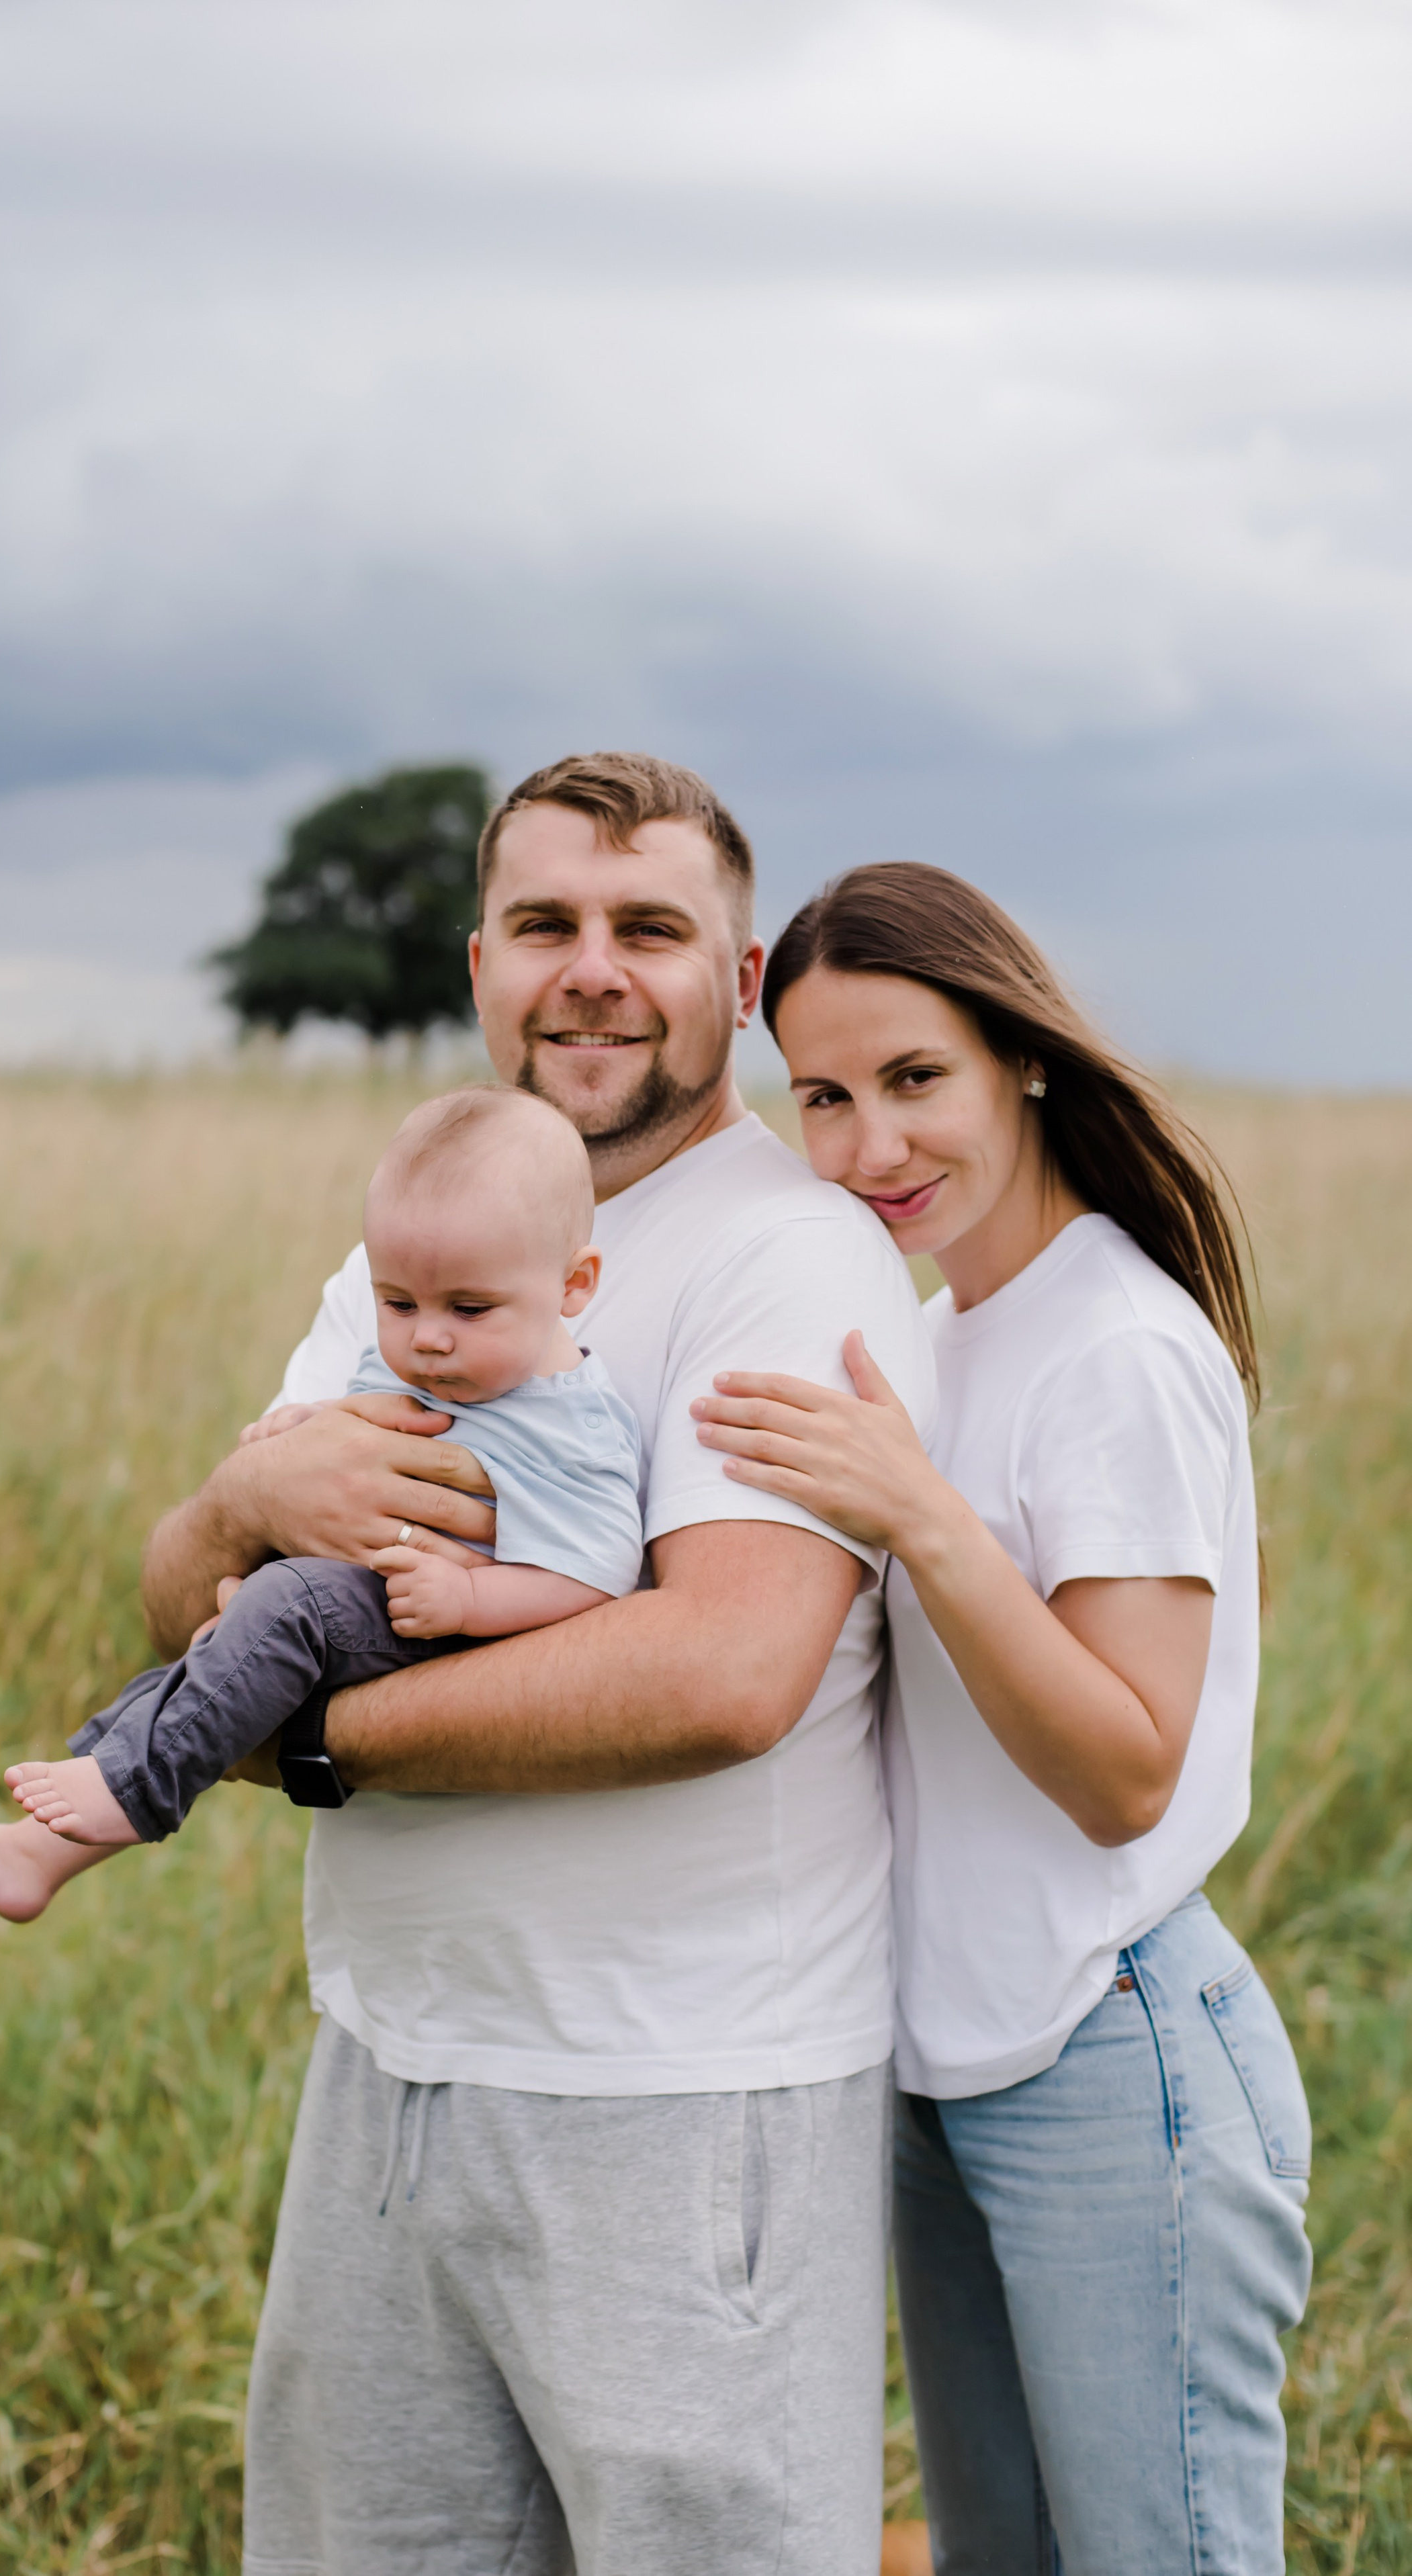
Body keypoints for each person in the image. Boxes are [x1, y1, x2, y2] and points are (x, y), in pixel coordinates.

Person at [143, 754, 937, 2576]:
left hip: (683, 2088)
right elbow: (195, 1595)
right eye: (543, 923)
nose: (590, 969)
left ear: (737, 979)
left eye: (647, 926)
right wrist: (234, 1499)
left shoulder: (786, 1254)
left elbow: (721, 1669)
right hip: (391, 2062)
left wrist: (300, 1739)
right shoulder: (418, 1257)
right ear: (480, 962)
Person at [692, 862, 1312, 2576]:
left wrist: (921, 1516)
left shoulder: (1115, 1342)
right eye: (822, 1094)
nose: (867, 1144)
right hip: (937, 2068)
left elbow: (1123, 1769)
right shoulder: (935, 1334)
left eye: (913, 1078)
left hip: (1106, 2050)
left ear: (1020, 1057)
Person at [0, 1085, 644, 1922]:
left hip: (451, 1634)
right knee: (213, 1652)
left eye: (469, 1309)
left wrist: (470, 1597)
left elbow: (599, 1570)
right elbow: (367, 1425)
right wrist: (303, 1431)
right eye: (398, 1302)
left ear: (573, 1283)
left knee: (287, 1607)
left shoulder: (571, 1423)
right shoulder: (426, 1361)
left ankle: (134, 1790)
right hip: (364, 1597)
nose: (428, 1336)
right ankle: (37, 1848)